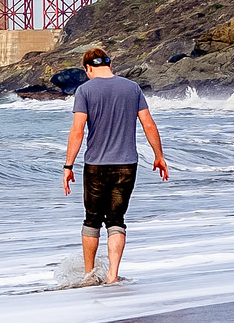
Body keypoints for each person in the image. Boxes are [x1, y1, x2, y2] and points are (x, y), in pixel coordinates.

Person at [61, 47, 169, 284]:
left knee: (92, 220)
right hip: (126, 165)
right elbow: (148, 124)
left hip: (95, 165)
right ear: (109, 64)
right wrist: (159, 156)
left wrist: (68, 166)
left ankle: (89, 275)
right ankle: (112, 275)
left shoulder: (84, 91)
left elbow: (77, 130)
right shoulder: (132, 88)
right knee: (116, 220)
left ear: (88, 68)